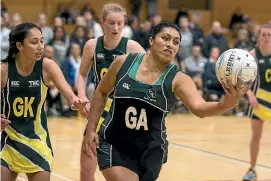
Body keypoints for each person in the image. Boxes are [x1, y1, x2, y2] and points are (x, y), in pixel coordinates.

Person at [82, 21, 252, 181]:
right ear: (151, 40)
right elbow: (101, 92)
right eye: (165, 38)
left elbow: (199, 108)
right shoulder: (124, 63)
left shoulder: (178, 79)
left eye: (176, 42)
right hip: (113, 143)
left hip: (150, 150)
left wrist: (225, 104)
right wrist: (91, 129)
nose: (170, 44)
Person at [0, 23, 88, 181]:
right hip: (8, 140)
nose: (40, 46)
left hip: (37, 141)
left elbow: (70, 97)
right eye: (34, 42)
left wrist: (76, 101)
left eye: (41, 41)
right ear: (19, 45)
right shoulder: (4, 70)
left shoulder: (47, 66)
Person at [76, 3, 145, 181]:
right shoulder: (92, 45)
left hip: (123, 115)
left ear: (124, 24)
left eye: (120, 23)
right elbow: (82, 75)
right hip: (99, 111)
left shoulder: (133, 48)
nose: (116, 28)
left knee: (119, 172)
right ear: (103, 23)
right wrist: (82, 96)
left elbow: (151, 77)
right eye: (111, 23)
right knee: (86, 169)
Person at [243, 24, 271, 181]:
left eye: (269, 35)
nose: (266, 37)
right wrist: (249, 95)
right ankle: (252, 169)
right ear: (259, 36)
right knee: (256, 136)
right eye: (263, 34)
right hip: (258, 100)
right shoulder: (252, 55)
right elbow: (242, 80)